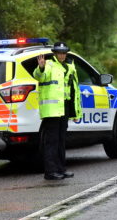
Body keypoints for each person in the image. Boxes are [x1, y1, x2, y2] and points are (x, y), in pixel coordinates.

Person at [33, 41, 82, 180]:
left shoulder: (69, 66)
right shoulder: (48, 65)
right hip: (52, 108)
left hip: (64, 106)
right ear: (54, 53)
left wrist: (76, 111)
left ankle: (61, 168)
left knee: (61, 140)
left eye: (64, 53)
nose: (62, 55)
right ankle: (50, 171)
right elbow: (39, 75)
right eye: (59, 53)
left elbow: (74, 90)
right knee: (52, 141)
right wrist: (40, 67)